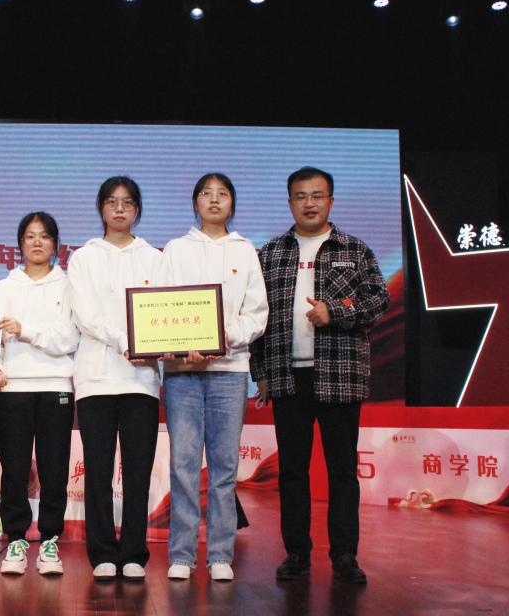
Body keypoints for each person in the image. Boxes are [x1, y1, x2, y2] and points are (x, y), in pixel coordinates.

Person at [249, 166, 389, 585]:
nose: (309, 203)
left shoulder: (354, 249)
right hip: (287, 376)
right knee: (292, 471)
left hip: (339, 375)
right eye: (300, 196)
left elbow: (378, 299)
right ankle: (296, 553)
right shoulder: (269, 253)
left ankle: (344, 555)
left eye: (317, 195)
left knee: (342, 471)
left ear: (330, 200)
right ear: (289, 202)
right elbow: (256, 318)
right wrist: (260, 372)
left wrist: (337, 311)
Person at [159, 173, 269, 582]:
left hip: (230, 370)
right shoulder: (176, 249)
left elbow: (256, 313)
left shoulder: (244, 250)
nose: (214, 200)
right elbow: (162, 305)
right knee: (184, 465)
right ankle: (182, 555)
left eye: (222, 194)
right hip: (183, 372)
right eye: (206, 194)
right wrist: (178, 343)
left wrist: (225, 337)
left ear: (232, 204)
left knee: (224, 467)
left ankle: (220, 554)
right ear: (196, 203)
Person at [67, 176, 162, 581]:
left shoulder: (155, 258)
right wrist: (127, 340)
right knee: (99, 471)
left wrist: (151, 343)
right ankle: (103, 551)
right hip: (95, 379)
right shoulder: (84, 258)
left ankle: (135, 552)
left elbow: (164, 311)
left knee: (138, 472)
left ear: (137, 209)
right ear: (101, 208)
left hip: (141, 379)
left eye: (127, 202)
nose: (119, 209)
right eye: (112, 202)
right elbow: (86, 316)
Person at [0, 212, 80, 576]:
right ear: (20, 243)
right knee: (14, 468)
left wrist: (25, 330)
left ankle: (49, 540)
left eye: (44, 236)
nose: (37, 242)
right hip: (13, 389)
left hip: (56, 387)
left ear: (55, 243)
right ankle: (15, 539)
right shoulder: (3, 288)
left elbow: (69, 338)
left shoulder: (69, 286)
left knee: (54, 468)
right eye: (30, 236)